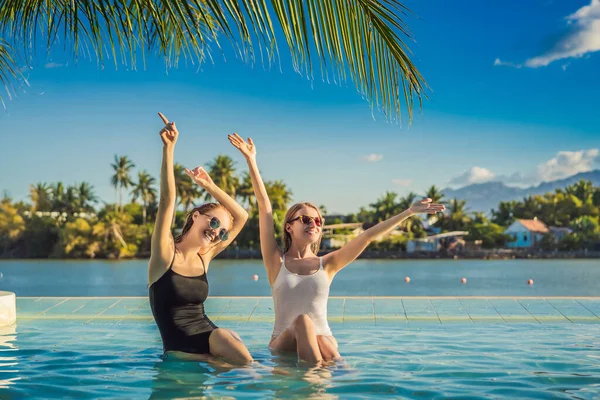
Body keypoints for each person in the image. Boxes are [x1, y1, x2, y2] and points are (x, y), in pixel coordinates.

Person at [228, 133, 445, 364]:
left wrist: (409, 212)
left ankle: (325, 376)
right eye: (305, 219)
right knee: (302, 322)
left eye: (318, 221)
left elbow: (368, 236)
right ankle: (323, 379)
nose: (313, 223)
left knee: (322, 341)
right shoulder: (276, 262)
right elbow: (264, 206)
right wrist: (251, 159)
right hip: (284, 343)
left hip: (325, 341)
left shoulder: (328, 264)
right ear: (289, 227)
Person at [148, 113, 252, 365]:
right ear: (196, 216)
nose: (217, 232)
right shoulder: (165, 255)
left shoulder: (205, 256)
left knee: (246, 363)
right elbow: (167, 201)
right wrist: (169, 149)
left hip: (208, 340)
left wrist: (210, 185)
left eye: (222, 231)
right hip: (181, 351)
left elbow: (243, 215)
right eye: (214, 222)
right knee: (250, 370)